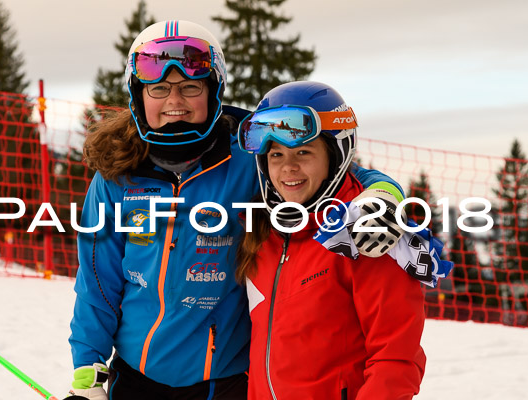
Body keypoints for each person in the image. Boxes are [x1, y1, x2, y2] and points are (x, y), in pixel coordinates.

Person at [68, 20, 414, 400]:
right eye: (159, 89)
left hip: (224, 381)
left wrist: (383, 194)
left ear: (213, 91)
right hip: (135, 377)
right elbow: (98, 284)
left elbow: (337, 167)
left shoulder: (249, 157)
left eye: (190, 87)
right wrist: (88, 371)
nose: (174, 102)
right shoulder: (117, 174)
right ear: (138, 95)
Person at [235, 81, 431, 400]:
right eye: (276, 154)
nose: (288, 167)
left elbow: (397, 361)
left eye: (303, 152)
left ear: (335, 156)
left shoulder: (370, 234)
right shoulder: (262, 232)